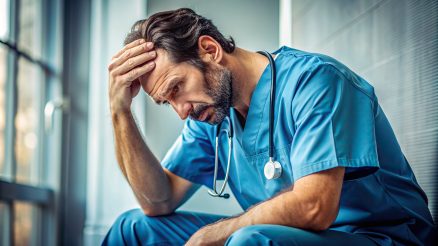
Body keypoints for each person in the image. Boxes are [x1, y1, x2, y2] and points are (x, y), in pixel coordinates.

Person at [103, 8, 436, 246]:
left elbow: (314, 207)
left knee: (251, 239)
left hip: (379, 236)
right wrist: (120, 112)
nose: (180, 112)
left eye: (176, 88)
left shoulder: (315, 81)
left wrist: (214, 234)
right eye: (166, 101)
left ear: (210, 50)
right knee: (134, 227)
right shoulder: (213, 114)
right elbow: (157, 202)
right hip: (295, 237)